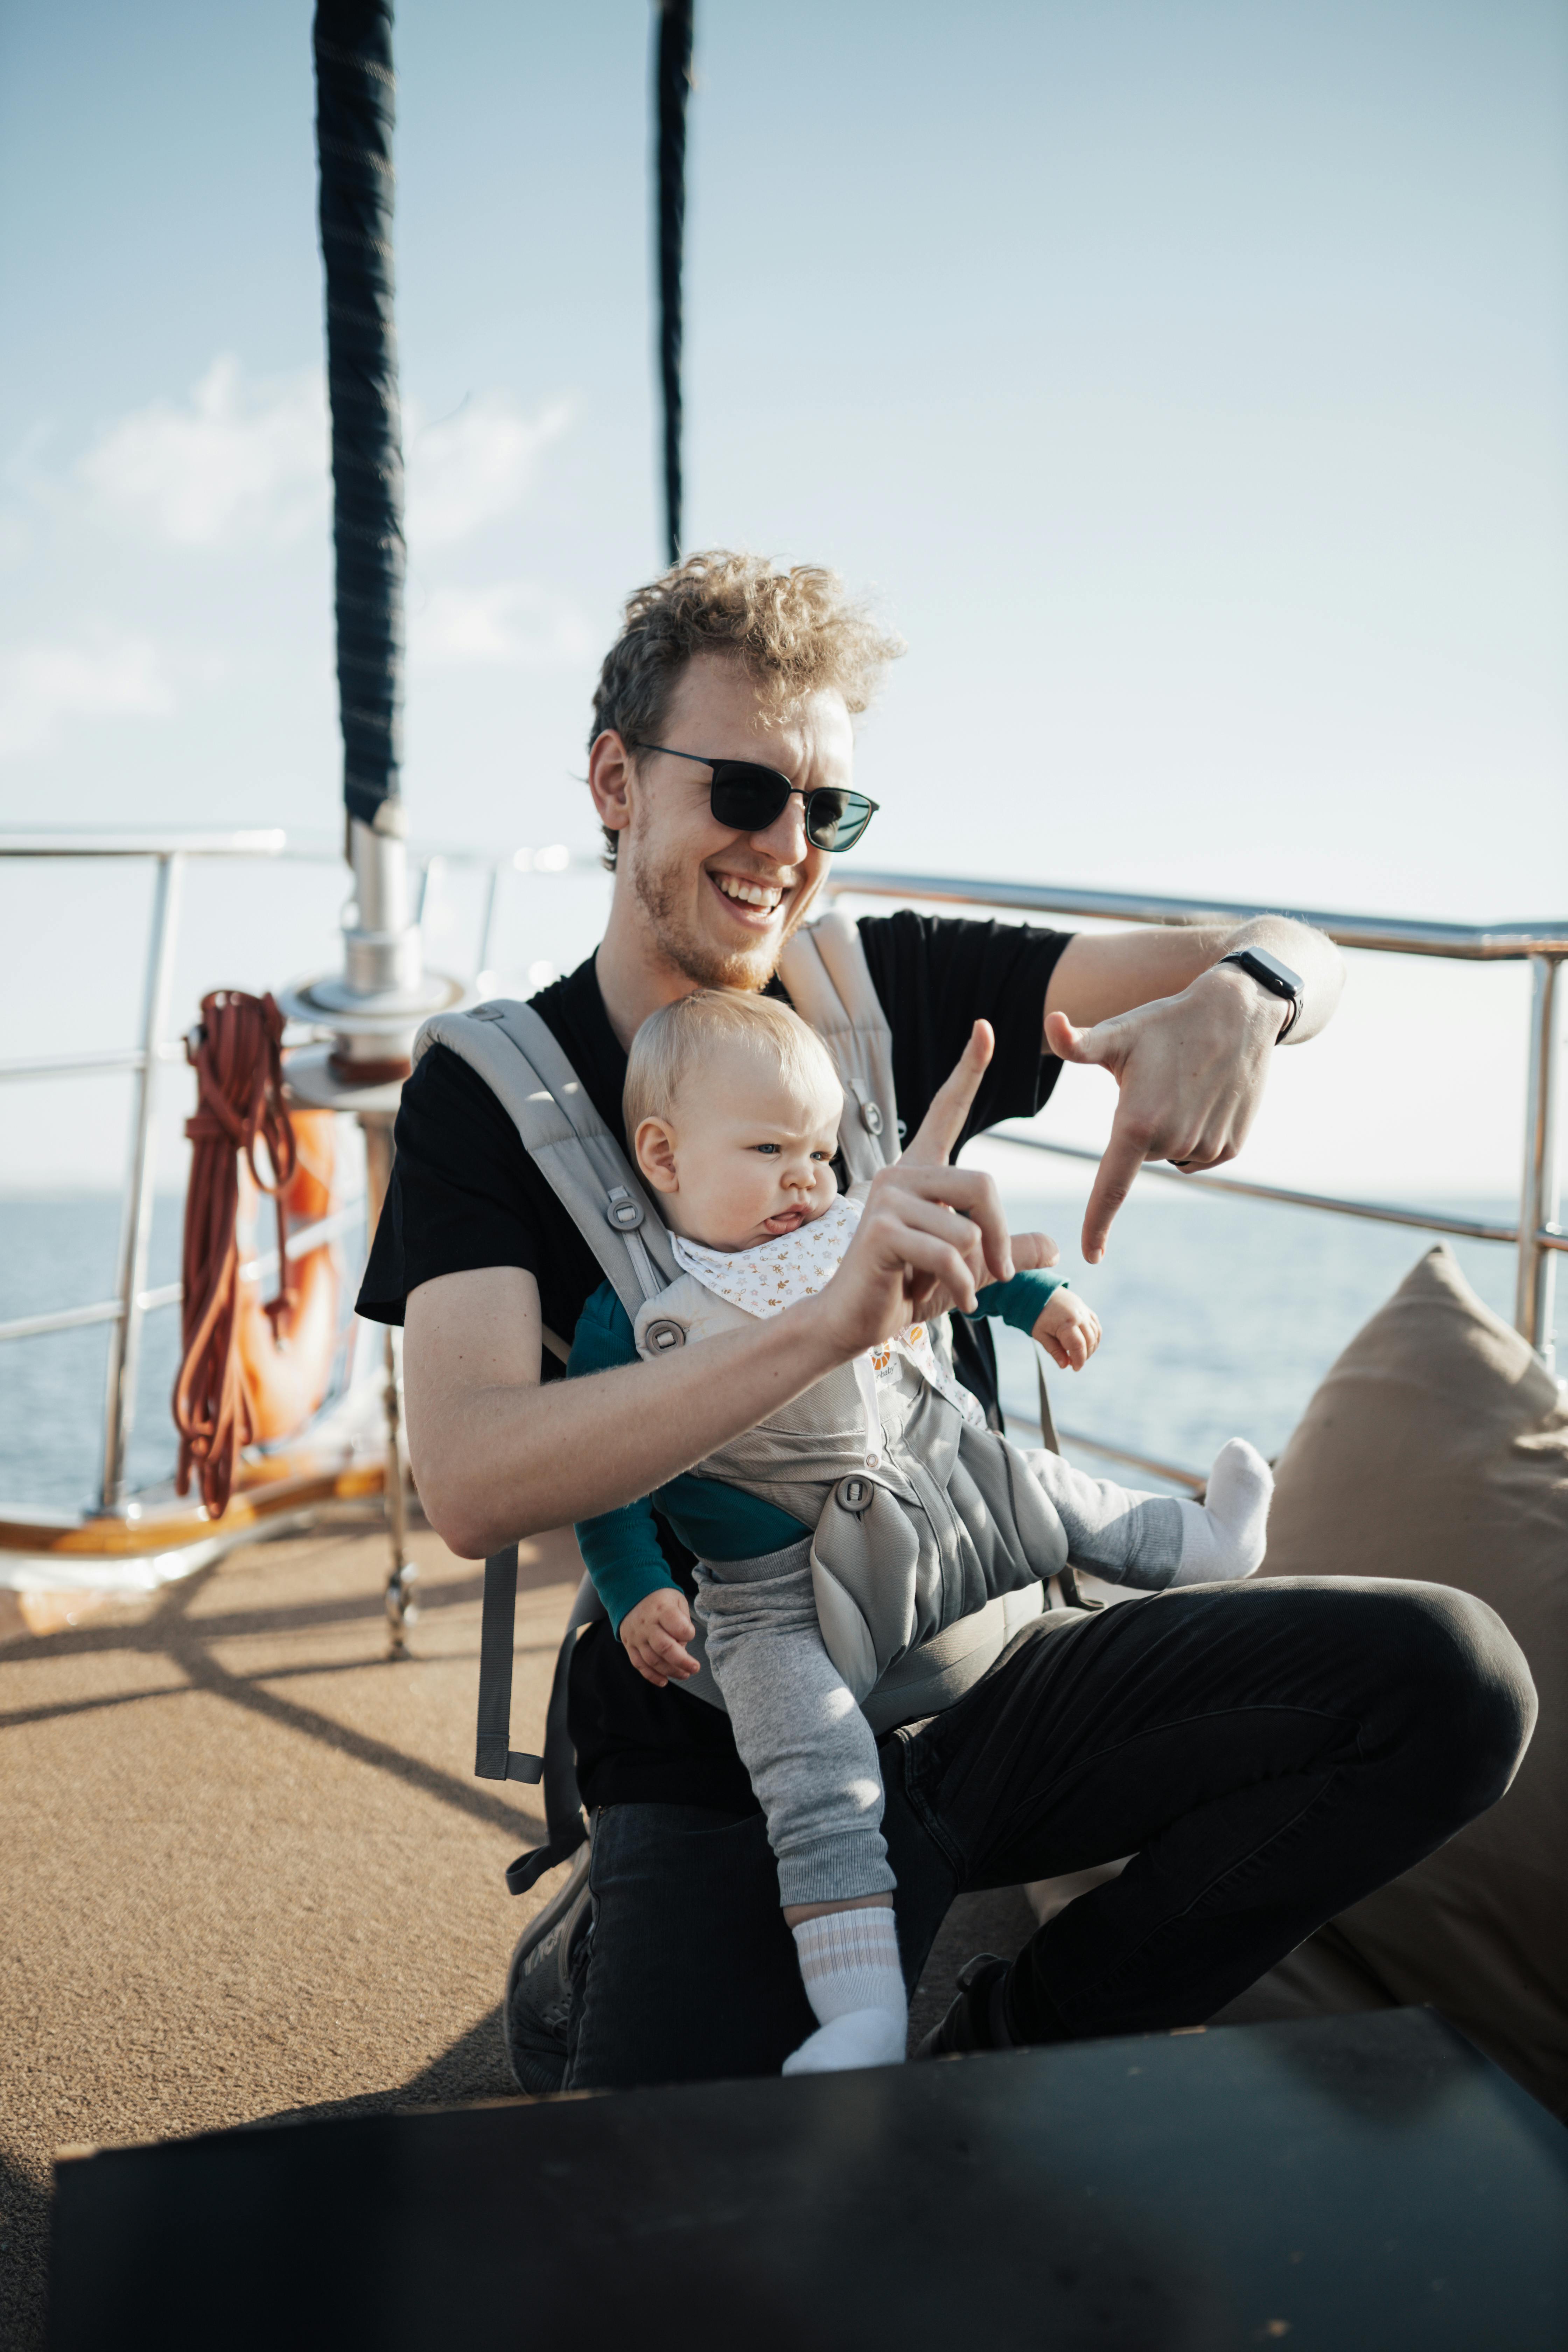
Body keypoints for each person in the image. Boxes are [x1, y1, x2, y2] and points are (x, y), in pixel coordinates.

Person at [360, 550, 1534, 2089]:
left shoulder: (882, 985)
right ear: (614, 783)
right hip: (727, 1735)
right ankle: (609, 1950)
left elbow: (1284, 944)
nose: (785, 848)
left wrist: (1243, 996)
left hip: (986, 1675)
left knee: (1449, 1685)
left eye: (824, 809)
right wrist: (817, 1324)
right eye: (741, 792)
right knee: (678, 2253)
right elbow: (472, 1480)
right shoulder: (489, 1093)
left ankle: (1014, 2045)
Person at [567, 986, 1273, 2076]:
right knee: (817, 1776)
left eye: (818, 1149)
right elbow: (604, 1479)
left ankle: (1203, 1544)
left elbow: (957, 1261)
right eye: (768, 1148)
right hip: (772, 1597)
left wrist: (1033, 1298)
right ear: (663, 1157)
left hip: (938, 1497)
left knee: (1050, 1491)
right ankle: (861, 2014)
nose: (806, 1177)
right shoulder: (635, 1308)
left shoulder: (848, 1224)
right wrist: (634, 1590)